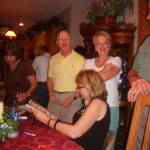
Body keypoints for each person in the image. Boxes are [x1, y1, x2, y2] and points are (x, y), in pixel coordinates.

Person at [29, 69, 110, 150]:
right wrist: (54, 119)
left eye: (79, 87)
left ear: (90, 86)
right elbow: (77, 127)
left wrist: (47, 120)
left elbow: (75, 132)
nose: (77, 90)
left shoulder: (97, 103)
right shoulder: (90, 103)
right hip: (74, 145)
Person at [84, 31, 122, 142]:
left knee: (108, 143)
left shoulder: (116, 60)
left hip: (111, 107)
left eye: (105, 43)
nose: (102, 46)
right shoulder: (88, 62)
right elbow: (81, 83)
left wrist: (90, 78)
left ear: (109, 46)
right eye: (98, 43)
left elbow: (108, 75)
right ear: (95, 47)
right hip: (90, 107)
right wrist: (103, 71)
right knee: (92, 141)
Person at [47, 30, 85, 123]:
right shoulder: (53, 58)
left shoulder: (80, 59)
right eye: (61, 39)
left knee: (69, 128)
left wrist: (71, 98)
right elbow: (49, 79)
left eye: (66, 39)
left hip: (72, 98)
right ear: (57, 43)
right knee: (50, 125)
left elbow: (82, 83)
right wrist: (51, 94)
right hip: (54, 98)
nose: (64, 42)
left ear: (71, 41)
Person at [127, 2, 150, 149]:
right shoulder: (148, 41)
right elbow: (132, 70)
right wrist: (135, 80)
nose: (148, 17)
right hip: (142, 108)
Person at [0, 41, 37, 106]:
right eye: (6, 56)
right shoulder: (5, 65)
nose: (8, 59)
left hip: (24, 101)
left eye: (11, 56)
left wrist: (25, 95)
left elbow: (34, 84)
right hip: (9, 101)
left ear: (17, 54)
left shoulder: (25, 65)